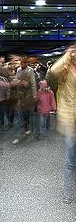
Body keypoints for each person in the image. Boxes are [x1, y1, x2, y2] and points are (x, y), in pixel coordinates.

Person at [50, 45, 76, 204]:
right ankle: (68, 192)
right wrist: (67, 54)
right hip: (70, 121)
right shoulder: (65, 70)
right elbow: (53, 70)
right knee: (70, 160)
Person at [12, 56, 37, 144]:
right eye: (21, 63)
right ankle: (23, 129)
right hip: (20, 95)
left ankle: (27, 127)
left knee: (27, 112)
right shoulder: (18, 70)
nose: (22, 64)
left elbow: (33, 83)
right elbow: (15, 80)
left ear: (26, 63)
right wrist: (19, 82)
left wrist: (34, 95)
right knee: (20, 112)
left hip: (28, 94)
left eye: (23, 63)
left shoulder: (30, 70)